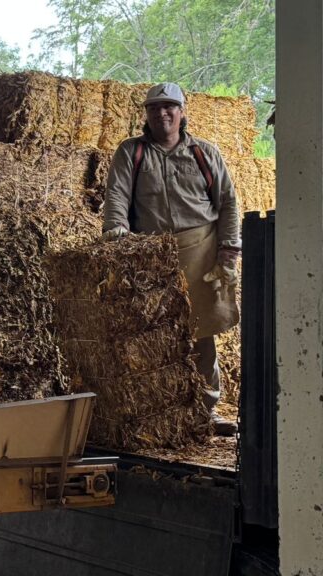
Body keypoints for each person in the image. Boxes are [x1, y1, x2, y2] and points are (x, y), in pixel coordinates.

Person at [102, 82, 240, 436]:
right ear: (146, 114)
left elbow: (227, 202)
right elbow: (117, 195)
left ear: (182, 112)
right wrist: (116, 231)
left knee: (200, 331)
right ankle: (158, 415)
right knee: (152, 333)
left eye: (169, 107)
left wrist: (228, 252)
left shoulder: (204, 153)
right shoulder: (132, 152)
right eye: (154, 108)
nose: (161, 114)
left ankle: (206, 409)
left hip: (200, 250)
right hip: (151, 255)